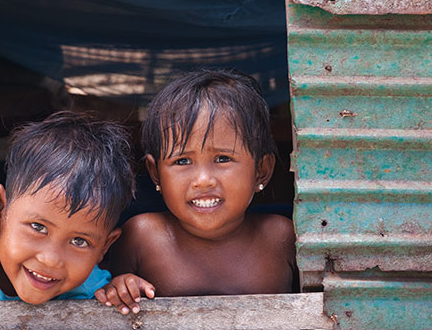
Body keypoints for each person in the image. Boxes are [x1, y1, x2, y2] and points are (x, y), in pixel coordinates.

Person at [95, 69, 296, 314]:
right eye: (182, 161)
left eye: (223, 158)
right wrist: (120, 287)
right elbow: (109, 293)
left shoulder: (280, 237)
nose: (203, 180)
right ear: (155, 172)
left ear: (261, 170)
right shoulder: (141, 236)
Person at [0, 111, 134, 304]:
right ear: (0, 208)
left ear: (105, 246)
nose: (50, 259)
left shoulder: (92, 290)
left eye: (79, 241)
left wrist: (120, 293)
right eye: (38, 227)